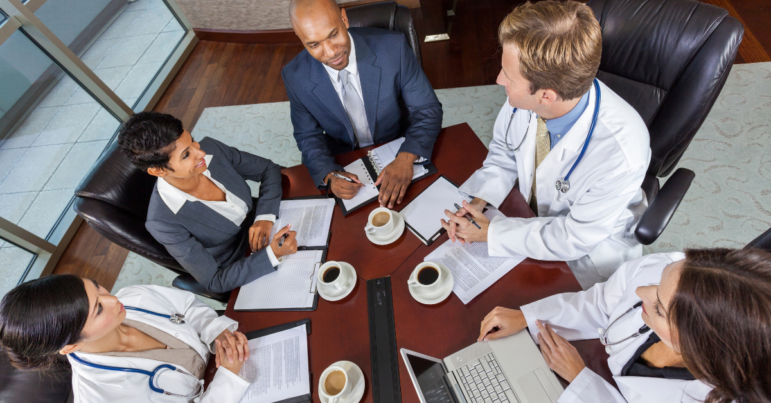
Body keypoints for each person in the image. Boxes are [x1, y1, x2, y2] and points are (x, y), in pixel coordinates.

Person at [441, 0, 651, 289]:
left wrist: (492, 234)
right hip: (530, 216)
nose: (499, 79)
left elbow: (573, 238)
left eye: (509, 77)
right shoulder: (527, 97)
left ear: (546, 96)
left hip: (588, 253)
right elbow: (504, 151)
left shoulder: (621, 152)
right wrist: (480, 200)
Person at [477, 248, 771, 403]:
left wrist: (581, 380)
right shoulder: (671, 268)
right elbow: (601, 302)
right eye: (659, 281)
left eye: (658, 306)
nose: (642, 292)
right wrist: (528, 317)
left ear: (695, 344)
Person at [282, 0, 443, 208]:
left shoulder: (393, 48)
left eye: (333, 34)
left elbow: (427, 110)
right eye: (314, 44)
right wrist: (329, 174)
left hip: (396, 145)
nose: (331, 52)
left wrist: (405, 158)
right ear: (300, 38)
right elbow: (307, 136)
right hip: (344, 158)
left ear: (344, 18)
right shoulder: (295, 76)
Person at [118, 112, 298, 293]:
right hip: (242, 262)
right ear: (158, 171)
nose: (201, 152)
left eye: (192, 141)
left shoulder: (211, 148)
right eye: (186, 154)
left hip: (271, 218)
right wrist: (272, 255)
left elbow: (268, 169)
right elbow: (215, 281)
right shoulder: (162, 222)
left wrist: (265, 217)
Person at [0, 275, 252, 402]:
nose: (113, 299)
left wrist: (216, 332)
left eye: (97, 286)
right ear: (72, 345)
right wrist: (228, 378)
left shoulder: (134, 296)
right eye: (98, 309)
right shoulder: (102, 396)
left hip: (240, 360)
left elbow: (188, 307)